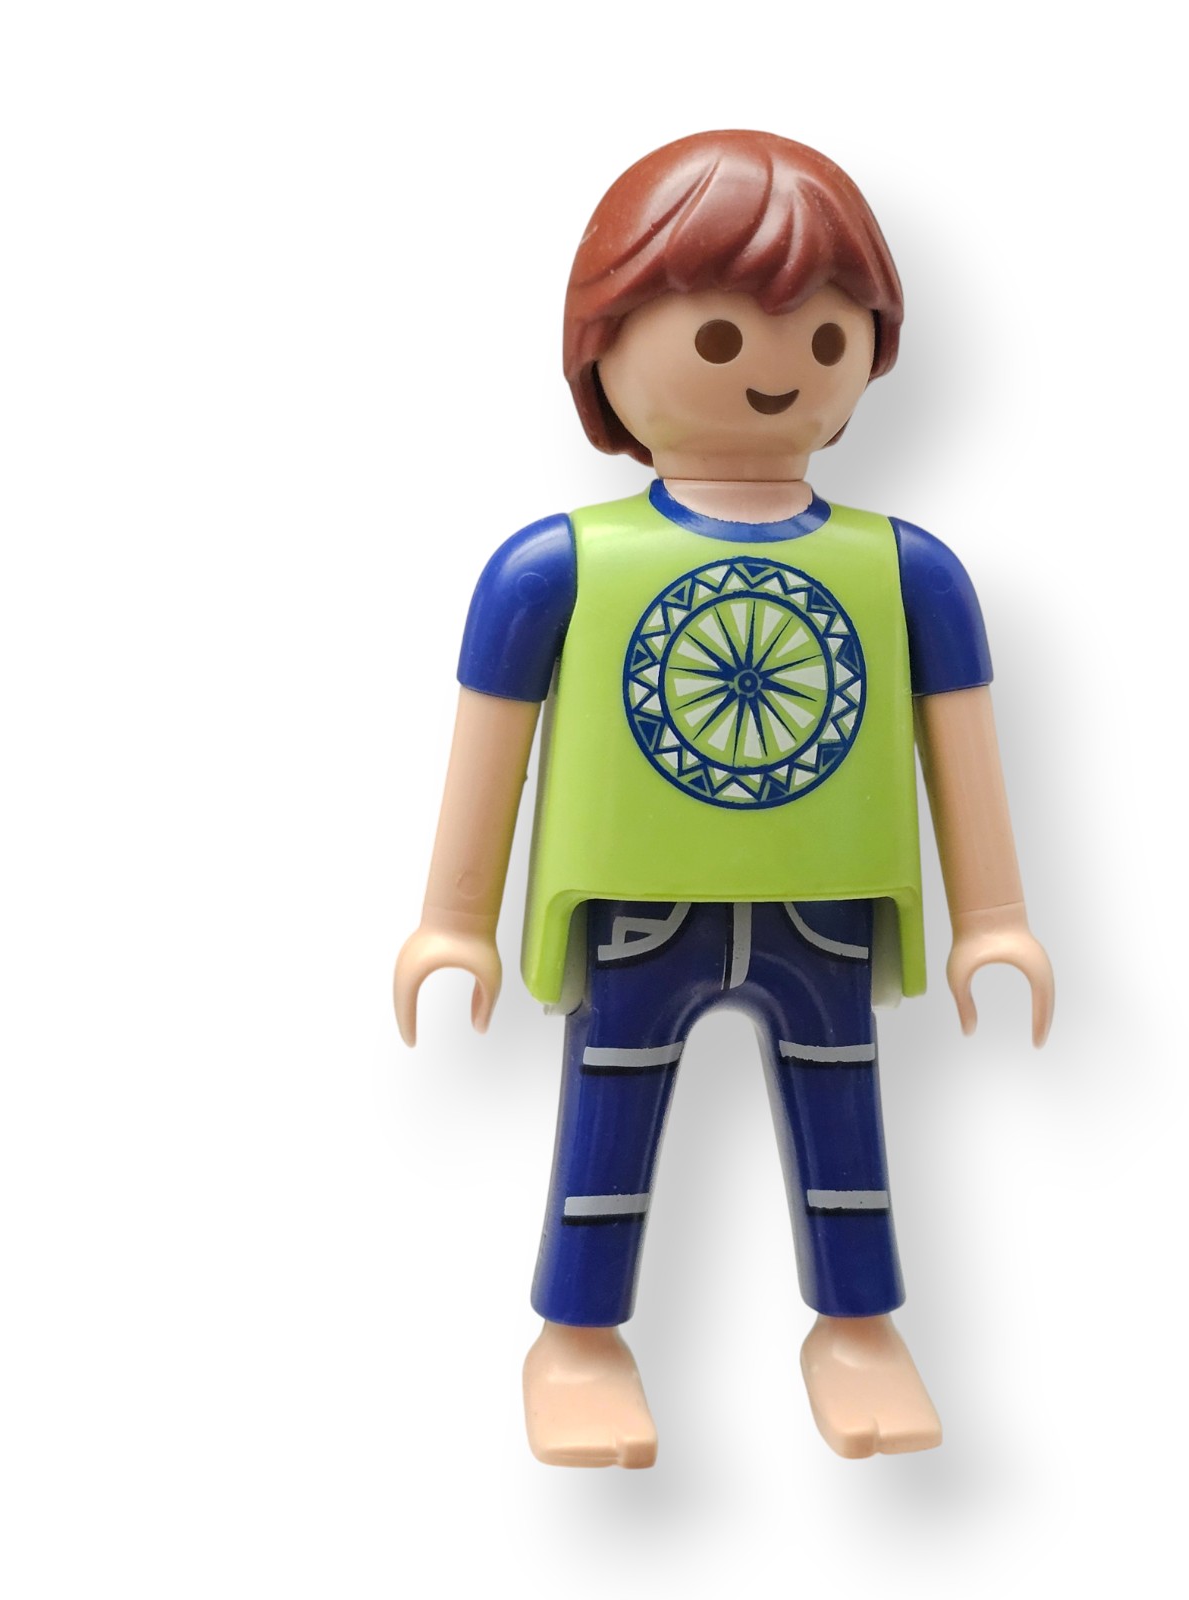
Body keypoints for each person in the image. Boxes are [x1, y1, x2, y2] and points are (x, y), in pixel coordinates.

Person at [394, 130, 1054, 1467]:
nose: (776, 370)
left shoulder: (909, 571)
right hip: (638, 908)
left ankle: (858, 1328)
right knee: (608, 1121)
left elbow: (961, 740)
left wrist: (995, 917)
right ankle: (579, 1340)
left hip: (827, 907)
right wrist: (451, 920)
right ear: (602, 350)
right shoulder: (553, 569)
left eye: (827, 338)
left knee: (844, 1121)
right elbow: (492, 743)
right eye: (717, 338)